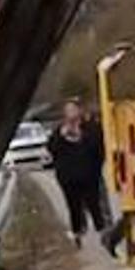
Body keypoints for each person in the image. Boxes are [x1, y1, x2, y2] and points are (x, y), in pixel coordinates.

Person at [48, 100, 108, 246]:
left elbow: (99, 148)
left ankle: (103, 231)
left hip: (89, 174)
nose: (71, 113)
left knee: (94, 202)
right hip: (68, 177)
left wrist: (81, 135)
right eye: (68, 110)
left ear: (80, 111)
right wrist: (62, 136)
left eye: (74, 109)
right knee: (73, 205)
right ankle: (77, 231)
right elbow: (52, 149)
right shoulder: (59, 131)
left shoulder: (91, 128)